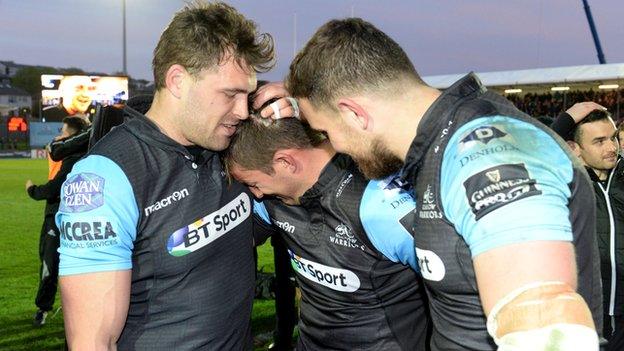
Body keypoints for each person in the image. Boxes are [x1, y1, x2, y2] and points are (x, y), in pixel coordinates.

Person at [284, 18, 602, 350]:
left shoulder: (485, 154)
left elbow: (544, 326)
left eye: (325, 132)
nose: (335, 146)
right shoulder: (441, 148)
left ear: (354, 114)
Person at [55, 2, 287, 350]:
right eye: (230, 94)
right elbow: (93, 341)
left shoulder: (230, 146)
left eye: (247, 94)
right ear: (177, 80)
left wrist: (296, 119)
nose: (241, 110)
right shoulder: (107, 177)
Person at [225, 117, 430, 350]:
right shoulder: (271, 200)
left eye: (254, 183)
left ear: (286, 162)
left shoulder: (378, 203)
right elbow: (226, 243)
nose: (256, 194)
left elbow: (458, 290)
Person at [551, 103, 624, 350]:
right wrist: (568, 117)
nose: (612, 147)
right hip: (587, 314)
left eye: (613, 138)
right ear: (575, 149)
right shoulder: (568, 183)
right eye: (599, 141)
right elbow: (539, 149)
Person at [25, 116, 88, 326]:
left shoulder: (72, 155)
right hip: (80, 215)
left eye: (62, 131)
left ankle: (43, 309)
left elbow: (56, 187)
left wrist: (33, 191)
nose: (59, 135)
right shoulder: (82, 151)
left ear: (71, 135)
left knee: (49, 262)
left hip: (58, 215)